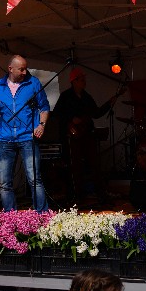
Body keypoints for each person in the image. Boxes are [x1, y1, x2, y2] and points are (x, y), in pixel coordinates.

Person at [0, 54, 49, 211]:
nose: (24, 72)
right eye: (21, 69)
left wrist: (41, 125)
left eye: (25, 69)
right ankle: (11, 217)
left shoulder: (33, 83)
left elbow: (44, 107)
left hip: (28, 137)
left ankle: (42, 215)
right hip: (5, 139)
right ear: (10, 69)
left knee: (35, 179)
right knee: (4, 183)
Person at [50, 67, 118, 204]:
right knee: (75, 167)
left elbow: (96, 113)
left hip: (87, 134)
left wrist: (109, 103)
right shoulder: (65, 96)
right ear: (74, 81)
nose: (84, 82)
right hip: (72, 136)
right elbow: (56, 114)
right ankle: (76, 195)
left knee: (94, 164)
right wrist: (71, 119)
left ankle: (100, 194)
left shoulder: (87, 97)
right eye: (82, 79)